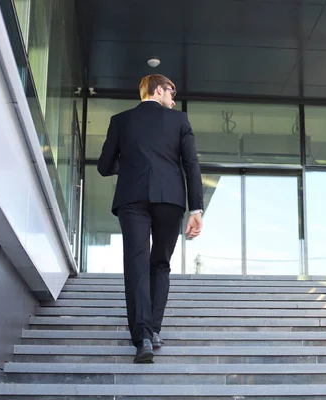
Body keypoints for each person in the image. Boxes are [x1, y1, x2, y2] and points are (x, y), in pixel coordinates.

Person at [97, 74, 204, 363]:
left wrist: (130, 166)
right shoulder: (180, 121)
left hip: (132, 198)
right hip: (170, 199)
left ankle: (142, 337)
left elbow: (104, 166)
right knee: (160, 264)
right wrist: (196, 210)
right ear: (159, 90)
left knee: (136, 263)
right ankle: (154, 330)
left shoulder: (120, 121)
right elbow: (191, 165)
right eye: (172, 92)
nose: (173, 99)